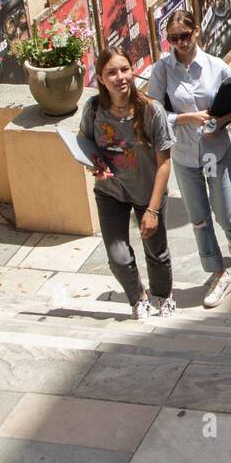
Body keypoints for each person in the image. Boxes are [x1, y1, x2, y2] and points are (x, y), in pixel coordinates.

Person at [147, 10, 231, 308]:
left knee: (225, 213)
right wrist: (185, 118)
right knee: (199, 219)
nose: (179, 43)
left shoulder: (216, 66)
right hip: (184, 155)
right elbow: (152, 114)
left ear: (196, 32)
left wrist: (222, 121)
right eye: (172, 38)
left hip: (215, 152)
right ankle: (218, 274)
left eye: (184, 35)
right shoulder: (163, 70)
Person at [79, 46, 177, 319]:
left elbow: (165, 163)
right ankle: (138, 297)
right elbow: (84, 141)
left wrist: (153, 210)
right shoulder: (94, 109)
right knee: (118, 257)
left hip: (148, 193)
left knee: (156, 253)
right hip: (110, 193)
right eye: (111, 72)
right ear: (99, 78)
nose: (120, 77)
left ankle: (163, 295)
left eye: (124, 69)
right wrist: (94, 165)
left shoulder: (151, 111)